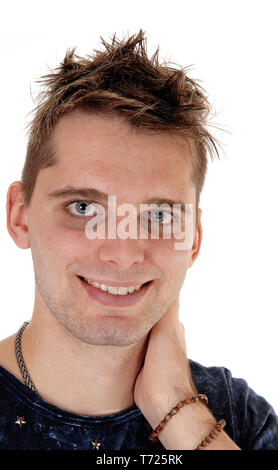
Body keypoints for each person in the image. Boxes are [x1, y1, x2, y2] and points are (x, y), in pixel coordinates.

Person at [0, 30, 277, 451]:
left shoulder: (234, 418)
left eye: (159, 216)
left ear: (194, 240)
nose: (123, 253)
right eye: (82, 208)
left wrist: (175, 407)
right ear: (20, 216)